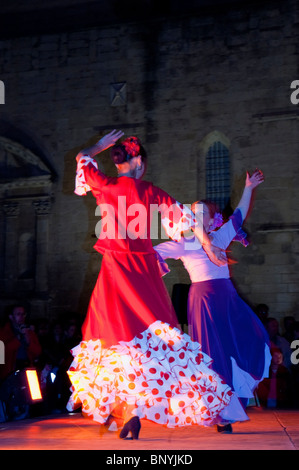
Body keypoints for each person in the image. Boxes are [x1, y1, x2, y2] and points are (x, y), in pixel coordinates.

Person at [67, 130, 247, 438]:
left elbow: (82, 159)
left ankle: (131, 412)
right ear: (138, 161)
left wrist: (100, 145)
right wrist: (210, 247)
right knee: (158, 340)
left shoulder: (105, 185)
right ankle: (215, 408)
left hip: (114, 271)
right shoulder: (150, 191)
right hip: (142, 271)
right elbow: (188, 221)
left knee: (118, 340)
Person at [154, 169, 271, 432]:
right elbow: (154, 252)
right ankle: (221, 413)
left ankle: (234, 399)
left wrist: (249, 187)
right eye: (192, 212)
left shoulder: (220, 237)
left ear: (210, 219)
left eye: (201, 212)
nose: (195, 215)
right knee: (213, 355)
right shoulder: (184, 243)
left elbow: (239, 214)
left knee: (254, 337)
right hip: (204, 300)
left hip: (227, 297)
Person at [0, 304, 41, 381]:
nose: (21, 317)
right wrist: (18, 338)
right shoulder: (3, 333)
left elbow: (38, 352)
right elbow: (3, 354)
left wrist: (28, 341)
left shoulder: (29, 333)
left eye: (23, 314)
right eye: (18, 314)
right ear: (11, 317)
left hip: (28, 370)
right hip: (9, 372)